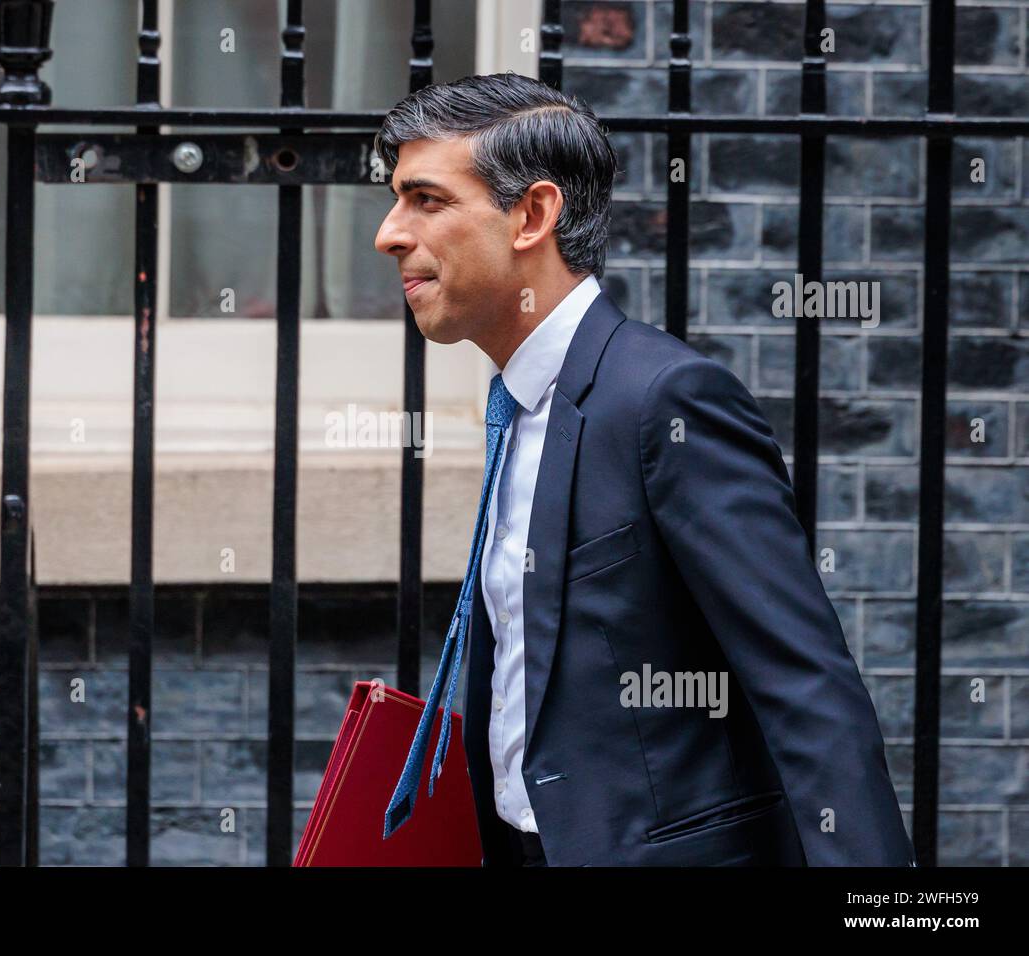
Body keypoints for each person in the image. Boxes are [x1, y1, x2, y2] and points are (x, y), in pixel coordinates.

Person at [373, 72, 915, 867]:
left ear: (534, 214)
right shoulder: (520, 403)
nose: (390, 233)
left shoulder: (665, 398)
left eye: (426, 200)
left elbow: (806, 685)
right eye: (395, 200)